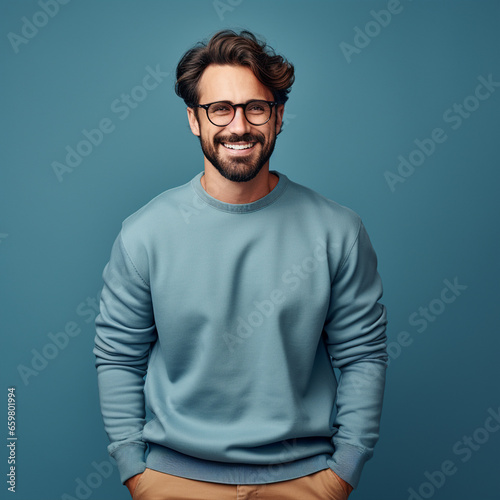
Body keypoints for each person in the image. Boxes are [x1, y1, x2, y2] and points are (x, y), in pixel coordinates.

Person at [94, 29, 388, 500]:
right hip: (174, 482)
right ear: (194, 119)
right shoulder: (144, 234)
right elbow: (117, 357)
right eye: (219, 109)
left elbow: (362, 357)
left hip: (305, 481)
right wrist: (136, 471)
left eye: (255, 107)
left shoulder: (338, 231)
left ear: (278, 116)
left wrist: (342, 472)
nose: (238, 126)